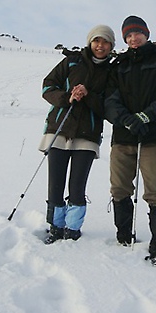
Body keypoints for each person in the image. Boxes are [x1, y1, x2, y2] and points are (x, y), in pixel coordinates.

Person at [105, 15, 156, 261]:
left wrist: (146, 116)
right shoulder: (118, 65)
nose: (133, 38)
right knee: (119, 188)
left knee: (154, 192)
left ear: (147, 33)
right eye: (128, 35)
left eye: (137, 33)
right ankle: (123, 235)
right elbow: (109, 100)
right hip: (123, 136)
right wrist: (126, 119)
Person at [39, 24, 115, 244]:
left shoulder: (111, 71)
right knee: (55, 184)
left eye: (105, 42)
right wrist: (67, 97)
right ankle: (56, 226)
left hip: (87, 135)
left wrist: (87, 95)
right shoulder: (71, 61)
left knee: (77, 186)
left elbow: (108, 107)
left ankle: (72, 229)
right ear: (90, 42)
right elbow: (47, 87)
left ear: (111, 46)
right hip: (59, 129)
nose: (100, 46)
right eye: (97, 41)